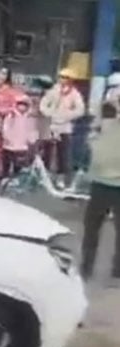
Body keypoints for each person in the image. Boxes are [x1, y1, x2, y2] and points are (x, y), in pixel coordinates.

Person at [80, 81, 120, 280]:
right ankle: (86, 267)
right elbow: (92, 134)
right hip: (100, 181)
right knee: (91, 227)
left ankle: (118, 271)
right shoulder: (105, 113)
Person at [39, 68, 85, 188]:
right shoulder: (53, 90)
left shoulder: (75, 94)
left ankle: (61, 177)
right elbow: (43, 104)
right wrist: (50, 113)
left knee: (63, 154)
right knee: (47, 151)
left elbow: (80, 110)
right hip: (51, 125)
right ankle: (45, 174)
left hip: (65, 127)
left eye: (65, 77)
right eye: (61, 77)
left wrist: (67, 116)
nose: (62, 79)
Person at [1, 94, 38, 177]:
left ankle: (17, 177)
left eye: (24, 105)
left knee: (19, 165)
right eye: (20, 104)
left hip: (22, 146)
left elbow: (32, 129)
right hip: (9, 145)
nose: (22, 107)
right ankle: (5, 176)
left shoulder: (29, 117)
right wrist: (7, 137)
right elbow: (5, 127)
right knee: (7, 162)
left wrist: (32, 139)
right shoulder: (11, 115)